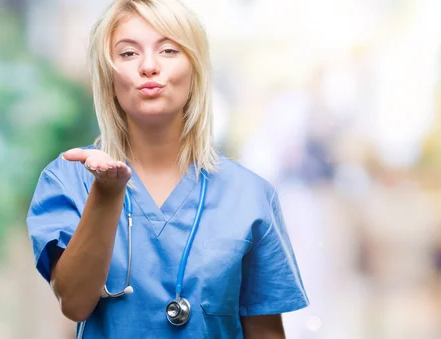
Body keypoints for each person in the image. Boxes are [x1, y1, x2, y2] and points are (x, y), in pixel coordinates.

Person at [26, 0, 309, 337]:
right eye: (128, 53)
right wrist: (106, 193)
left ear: (195, 69)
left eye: (169, 50)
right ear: (108, 75)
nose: (149, 66)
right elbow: (74, 303)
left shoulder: (250, 196)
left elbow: (264, 331)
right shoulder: (68, 178)